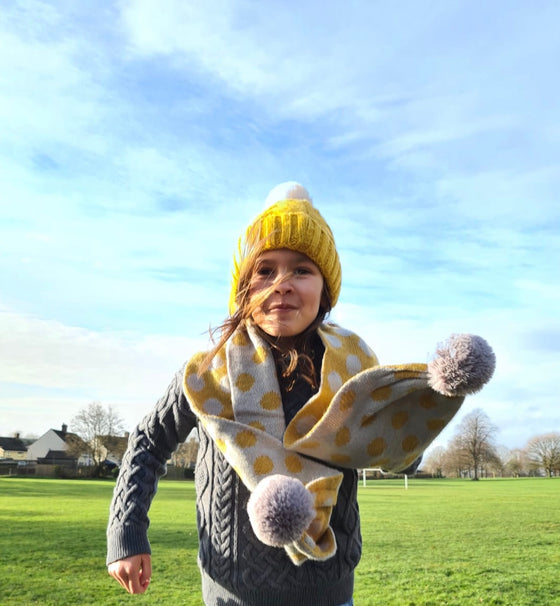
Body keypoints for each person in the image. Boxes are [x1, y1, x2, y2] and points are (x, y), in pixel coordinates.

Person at [107, 182, 495, 605]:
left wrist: (415, 421)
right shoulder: (205, 373)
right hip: (228, 592)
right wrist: (126, 531)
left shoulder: (353, 365)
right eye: (265, 270)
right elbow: (148, 441)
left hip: (327, 590)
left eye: (301, 270)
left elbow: (397, 449)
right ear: (243, 288)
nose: (282, 284)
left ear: (325, 289)